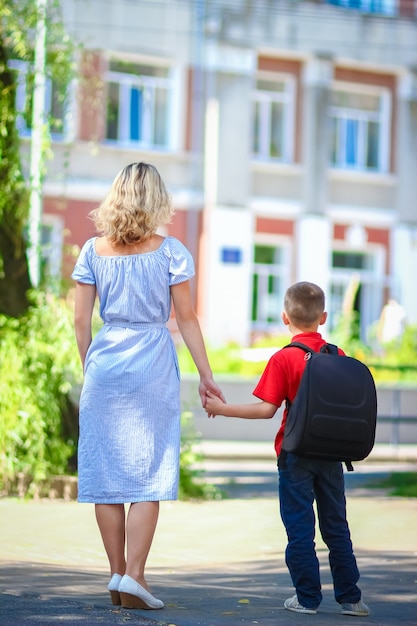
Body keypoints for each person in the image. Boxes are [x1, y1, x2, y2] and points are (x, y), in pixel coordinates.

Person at [72, 162, 224, 610]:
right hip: (153, 360)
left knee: (105, 475)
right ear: (157, 199)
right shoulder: (171, 252)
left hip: (105, 362)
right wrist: (206, 376)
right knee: (147, 473)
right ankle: (136, 574)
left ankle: (117, 574)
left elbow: (81, 321)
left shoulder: (92, 251)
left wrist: (91, 368)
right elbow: (187, 319)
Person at [205, 281, 370, 617]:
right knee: (336, 526)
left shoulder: (284, 358)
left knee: (299, 529)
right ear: (323, 317)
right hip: (331, 455)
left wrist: (222, 409)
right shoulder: (337, 356)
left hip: (295, 454)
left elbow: (266, 409)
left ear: (284, 317)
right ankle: (351, 598)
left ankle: (307, 599)